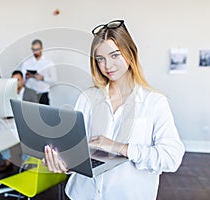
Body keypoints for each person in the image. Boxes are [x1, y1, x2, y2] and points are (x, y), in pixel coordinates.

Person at [43, 20, 185, 200]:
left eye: (115, 55)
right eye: (100, 59)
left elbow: (171, 158)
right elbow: (76, 148)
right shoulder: (87, 97)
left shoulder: (154, 102)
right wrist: (63, 162)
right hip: (82, 194)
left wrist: (118, 147)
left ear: (130, 53)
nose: (107, 66)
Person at [0, 70, 38, 173]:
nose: (15, 83)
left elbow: (36, 112)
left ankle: (26, 163)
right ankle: (8, 160)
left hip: (26, 125)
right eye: (13, 80)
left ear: (23, 80)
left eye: (18, 80)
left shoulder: (31, 93)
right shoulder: (8, 94)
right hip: (11, 123)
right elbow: (4, 110)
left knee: (29, 138)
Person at [21, 39, 57, 105]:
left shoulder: (49, 63)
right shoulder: (26, 63)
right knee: (28, 114)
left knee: (44, 114)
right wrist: (26, 77)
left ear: (42, 48)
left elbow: (54, 80)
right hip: (29, 94)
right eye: (33, 49)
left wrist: (43, 78)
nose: (35, 52)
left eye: (37, 49)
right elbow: (21, 80)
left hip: (43, 94)